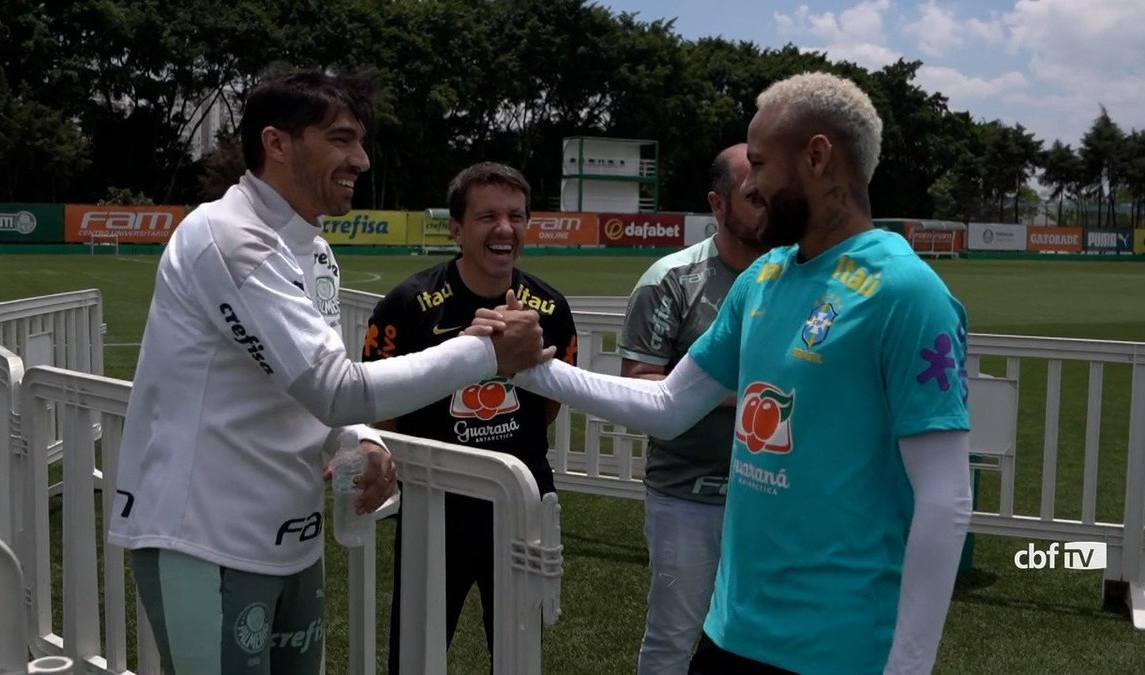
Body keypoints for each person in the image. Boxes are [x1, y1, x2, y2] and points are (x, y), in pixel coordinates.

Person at [500, 72, 973, 674]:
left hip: (840, 648)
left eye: (759, 163)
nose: (754, 184)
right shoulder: (765, 278)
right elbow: (670, 404)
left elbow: (946, 499)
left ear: (818, 157)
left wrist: (907, 667)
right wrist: (534, 370)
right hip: (733, 633)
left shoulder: (906, 293)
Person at [107, 71, 550, 675]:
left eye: (360, 142)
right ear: (278, 143)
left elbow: (308, 382)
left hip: (290, 537)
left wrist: (358, 439)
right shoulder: (230, 237)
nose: (360, 159)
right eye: (342, 139)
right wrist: (486, 353)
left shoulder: (314, 250)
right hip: (203, 537)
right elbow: (336, 389)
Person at [363, 161, 578, 673]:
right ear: (456, 228)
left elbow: (547, 409)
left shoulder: (549, 307)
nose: (504, 229)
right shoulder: (408, 305)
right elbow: (379, 411)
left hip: (521, 505)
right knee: (415, 652)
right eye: (487, 217)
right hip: (435, 509)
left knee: (519, 653)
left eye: (516, 215)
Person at [618, 143, 769, 675]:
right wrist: (755, 389)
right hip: (688, 494)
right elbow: (639, 384)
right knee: (673, 642)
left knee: (761, 642)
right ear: (718, 204)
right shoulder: (672, 280)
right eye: (753, 195)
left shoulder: (798, 277)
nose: (768, 204)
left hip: (774, 499)